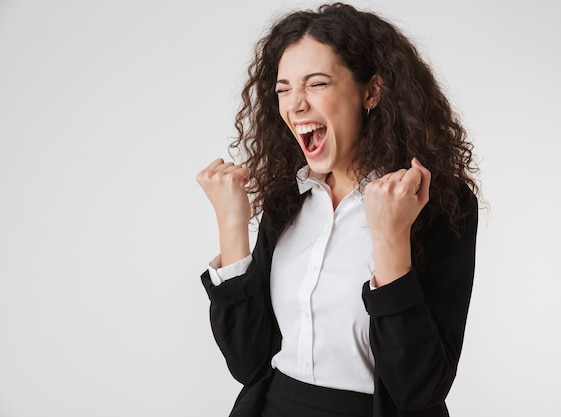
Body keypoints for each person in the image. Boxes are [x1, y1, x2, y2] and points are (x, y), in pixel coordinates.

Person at [196, 3, 479, 417]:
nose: (295, 105)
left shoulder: (434, 205)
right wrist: (232, 226)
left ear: (371, 91)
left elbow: (420, 388)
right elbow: (249, 363)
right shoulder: (287, 201)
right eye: (284, 89)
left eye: (316, 83)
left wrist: (390, 237)